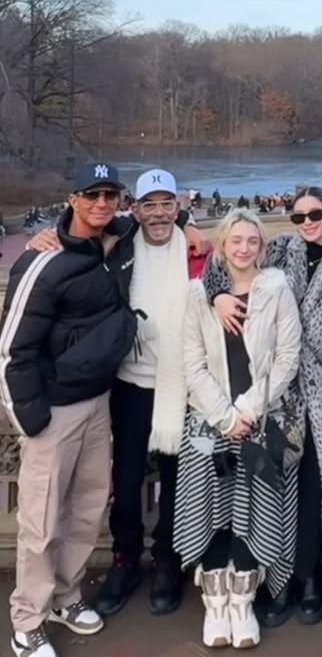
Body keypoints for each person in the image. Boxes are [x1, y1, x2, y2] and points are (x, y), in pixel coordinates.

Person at [26, 169, 210, 621]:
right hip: (128, 383)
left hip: (182, 385)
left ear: (179, 206)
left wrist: (197, 231)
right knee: (124, 483)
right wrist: (44, 239)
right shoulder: (120, 244)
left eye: (168, 203)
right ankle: (126, 561)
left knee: (176, 483)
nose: (159, 213)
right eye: (149, 204)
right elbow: (78, 235)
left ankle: (168, 560)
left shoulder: (193, 248)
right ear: (135, 210)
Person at [0, 162, 137, 657]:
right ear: (73, 200)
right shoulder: (43, 260)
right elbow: (13, 348)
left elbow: (160, 223)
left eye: (110, 195)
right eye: (92, 195)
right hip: (53, 411)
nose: (102, 204)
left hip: (99, 400)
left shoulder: (117, 242)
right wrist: (28, 419)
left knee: (86, 507)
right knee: (40, 522)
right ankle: (27, 622)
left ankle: (66, 595)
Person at [209, 187, 322, 626]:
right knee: (273, 489)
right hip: (273, 390)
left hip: (319, 394)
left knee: (314, 488)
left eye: (315, 215)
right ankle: (275, 582)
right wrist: (217, 295)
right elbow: (227, 267)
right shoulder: (277, 250)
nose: (307, 223)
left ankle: (308, 577)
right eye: (298, 217)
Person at [172, 209, 301, 650]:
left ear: (261, 247)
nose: (244, 248)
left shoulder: (276, 289)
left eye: (253, 241)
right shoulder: (199, 294)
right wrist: (225, 416)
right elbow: (192, 363)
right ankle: (215, 608)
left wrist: (247, 409)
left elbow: (287, 358)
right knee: (211, 513)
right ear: (222, 244)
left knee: (253, 511)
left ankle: (242, 604)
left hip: (262, 421)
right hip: (209, 424)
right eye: (236, 240)